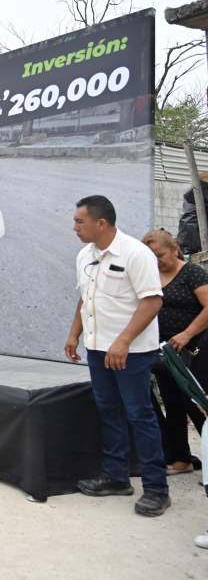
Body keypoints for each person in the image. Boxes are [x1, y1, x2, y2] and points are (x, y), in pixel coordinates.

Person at [65, 195, 170, 517]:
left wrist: (123, 342)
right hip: (98, 349)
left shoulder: (136, 254)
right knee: (108, 410)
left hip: (131, 352)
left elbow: (152, 302)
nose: (75, 228)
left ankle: (156, 489)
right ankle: (115, 476)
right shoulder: (85, 255)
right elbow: (87, 299)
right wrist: (74, 334)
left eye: (79, 222)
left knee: (140, 414)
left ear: (101, 223)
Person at [142, 229, 208, 475]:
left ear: (174, 250)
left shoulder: (192, 273)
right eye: (151, 257)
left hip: (195, 349)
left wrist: (187, 333)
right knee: (172, 404)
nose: (157, 261)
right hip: (164, 353)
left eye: (160, 255)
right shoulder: (149, 275)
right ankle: (181, 458)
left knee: (196, 404)